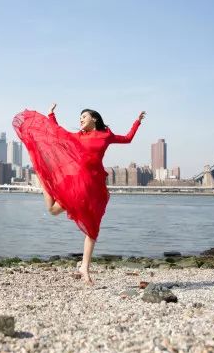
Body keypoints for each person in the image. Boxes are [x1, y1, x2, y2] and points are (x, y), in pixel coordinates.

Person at [13, 104, 146, 285]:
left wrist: (137, 122)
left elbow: (128, 138)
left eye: (84, 116)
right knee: (52, 210)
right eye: (80, 117)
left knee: (93, 227)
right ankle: (44, 180)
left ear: (94, 119)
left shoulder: (106, 135)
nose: (81, 119)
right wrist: (51, 115)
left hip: (96, 186)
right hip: (77, 183)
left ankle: (84, 266)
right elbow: (57, 133)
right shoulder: (77, 137)